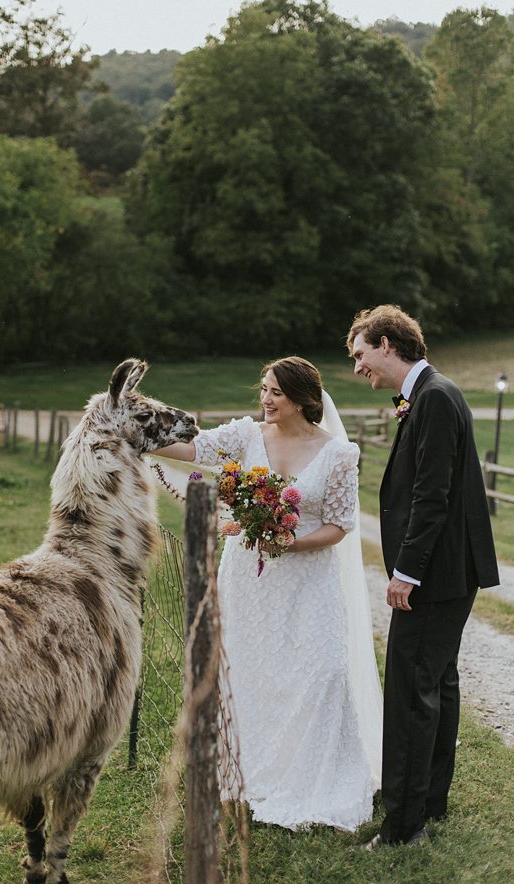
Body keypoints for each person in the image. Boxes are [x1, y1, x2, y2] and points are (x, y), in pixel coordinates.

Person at [155, 356, 382, 831]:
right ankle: (250, 769)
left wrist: (290, 541)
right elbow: (193, 448)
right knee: (251, 672)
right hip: (250, 584)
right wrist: (138, 435)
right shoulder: (245, 436)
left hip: (310, 583)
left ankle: (313, 780)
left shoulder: (338, 454)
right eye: (263, 389)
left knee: (324, 671)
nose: (265, 399)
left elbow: (340, 527)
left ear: (302, 399)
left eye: (275, 393)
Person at [347, 305, 500, 848]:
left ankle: (402, 825)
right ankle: (430, 801)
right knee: (438, 684)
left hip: (432, 576)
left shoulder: (433, 398)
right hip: (450, 574)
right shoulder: (434, 393)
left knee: (412, 692)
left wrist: (405, 574)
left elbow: (430, 496)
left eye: (361, 354)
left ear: (388, 344)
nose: (358, 367)